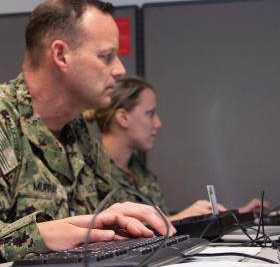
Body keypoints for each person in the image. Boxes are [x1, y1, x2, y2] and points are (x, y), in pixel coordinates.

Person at [0, 0, 175, 261]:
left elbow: (99, 218)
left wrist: (118, 221)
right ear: (61, 55)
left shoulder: (76, 130)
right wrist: (42, 235)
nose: (119, 70)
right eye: (106, 57)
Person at [88, 76, 268, 221]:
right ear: (123, 118)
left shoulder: (139, 172)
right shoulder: (90, 170)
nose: (158, 124)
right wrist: (176, 220)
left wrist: (234, 216)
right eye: (150, 114)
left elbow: (161, 220)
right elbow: (108, 238)